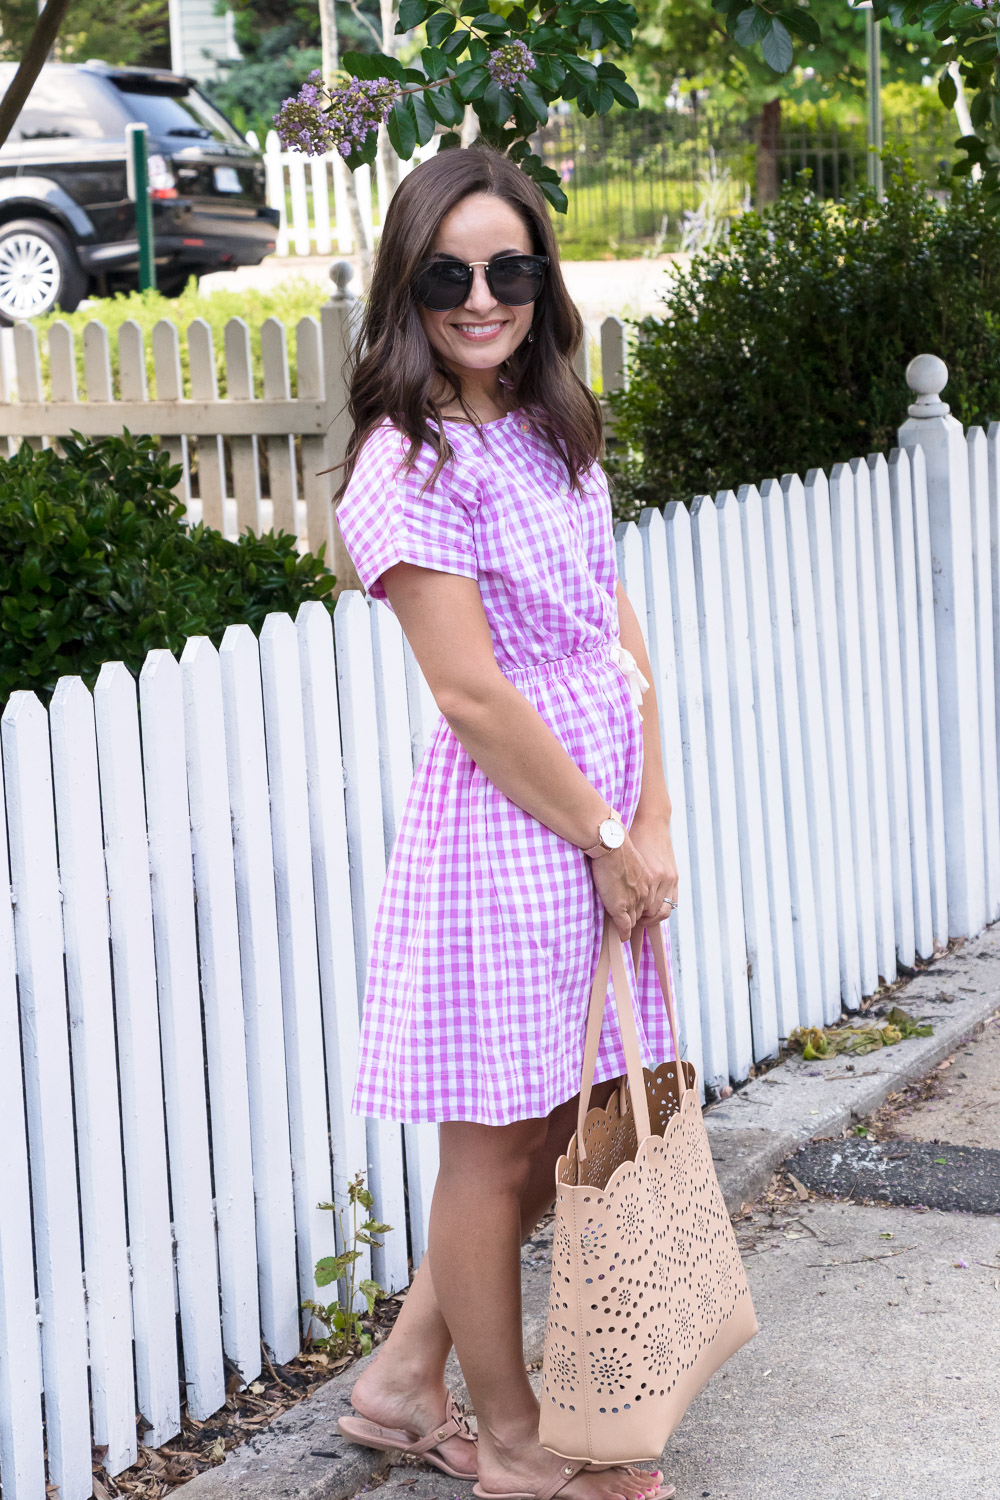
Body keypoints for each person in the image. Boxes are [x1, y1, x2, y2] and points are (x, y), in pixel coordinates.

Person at [332, 144, 681, 1500]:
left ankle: (406, 1378)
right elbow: (472, 693)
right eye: (449, 274)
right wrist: (602, 835)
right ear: (406, 286)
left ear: (543, 276)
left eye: (510, 268)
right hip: (513, 830)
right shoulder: (405, 461)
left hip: (597, 808)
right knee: (496, 1145)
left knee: (558, 1129)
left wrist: (654, 815)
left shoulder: (554, 422)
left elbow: (617, 626)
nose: (483, 299)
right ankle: (516, 1439)